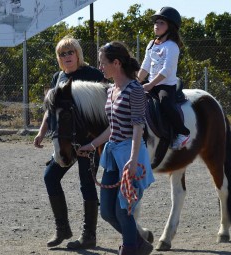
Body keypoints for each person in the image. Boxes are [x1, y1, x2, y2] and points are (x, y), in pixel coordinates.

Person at [78, 41, 155, 255]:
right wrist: (92, 145)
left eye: (103, 63)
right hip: (112, 155)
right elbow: (112, 126)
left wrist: (132, 159)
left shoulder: (135, 90)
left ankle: (130, 248)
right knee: (108, 213)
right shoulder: (112, 90)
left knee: (123, 210)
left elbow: (138, 125)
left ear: (117, 63)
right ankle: (139, 243)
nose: (100, 67)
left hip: (130, 154)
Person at [34, 36, 104, 250]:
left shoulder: (92, 75)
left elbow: (104, 108)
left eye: (70, 52)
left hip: (89, 142)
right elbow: (52, 109)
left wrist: (95, 142)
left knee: (86, 183)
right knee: (50, 176)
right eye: (62, 54)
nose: (66, 57)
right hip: (66, 141)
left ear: (78, 54)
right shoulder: (58, 78)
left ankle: (89, 235)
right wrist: (41, 131)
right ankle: (62, 228)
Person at [138, 6, 190, 150]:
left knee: (165, 102)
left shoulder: (172, 46)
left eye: (162, 23)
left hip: (165, 86)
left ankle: (182, 132)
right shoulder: (151, 44)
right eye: (156, 22)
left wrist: (149, 85)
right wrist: (136, 82)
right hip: (151, 83)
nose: (157, 25)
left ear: (170, 27)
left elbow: (166, 70)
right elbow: (145, 67)